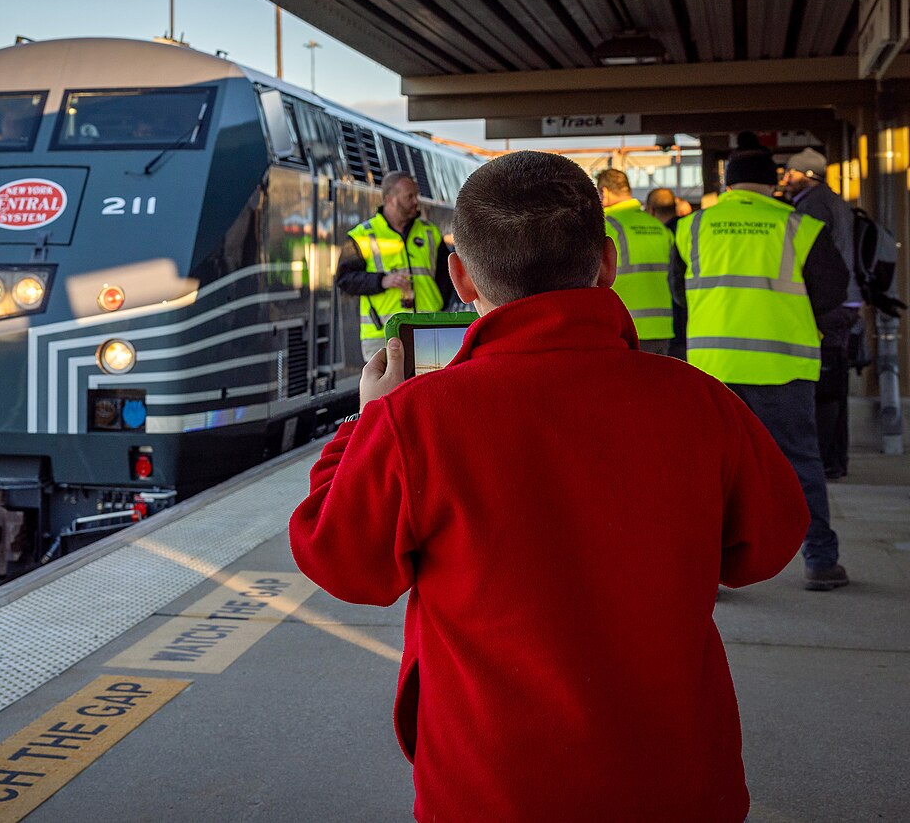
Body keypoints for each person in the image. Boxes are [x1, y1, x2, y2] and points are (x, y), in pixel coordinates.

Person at [290, 151, 808, 822]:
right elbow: (765, 547)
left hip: (491, 792)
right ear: (607, 262)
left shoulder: (412, 420)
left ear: (461, 277)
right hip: (680, 786)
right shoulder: (702, 403)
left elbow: (342, 559)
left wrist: (364, 421)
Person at [672, 146, 851, 590]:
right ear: (772, 182)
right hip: (783, 367)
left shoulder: (690, 226)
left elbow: (678, 294)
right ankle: (821, 561)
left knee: (710, 472)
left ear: (727, 184)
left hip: (714, 367)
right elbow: (832, 293)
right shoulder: (801, 227)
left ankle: (709, 570)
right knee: (801, 463)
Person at [782, 147, 862, 478]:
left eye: (791, 173)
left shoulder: (813, 207)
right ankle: (836, 460)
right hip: (845, 303)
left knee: (826, 391)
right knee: (835, 387)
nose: (786, 179)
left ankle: (828, 459)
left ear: (807, 175)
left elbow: (819, 266)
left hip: (831, 307)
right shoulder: (834, 201)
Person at [339, 171, 452, 360]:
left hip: (428, 331)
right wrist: (382, 281)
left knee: (427, 388)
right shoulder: (362, 235)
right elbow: (345, 280)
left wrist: (439, 307)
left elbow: (446, 276)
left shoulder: (429, 232)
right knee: (389, 389)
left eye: (416, 195)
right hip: (382, 335)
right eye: (410, 196)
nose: (416, 201)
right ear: (390, 199)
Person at [597, 169, 675, 353]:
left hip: (625, 329)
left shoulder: (605, 226)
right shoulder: (659, 227)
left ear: (605, 192)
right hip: (663, 328)